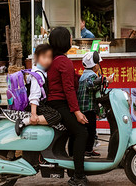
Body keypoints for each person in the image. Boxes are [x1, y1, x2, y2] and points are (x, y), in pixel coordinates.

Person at [46, 27, 89, 186]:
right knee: (81, 133)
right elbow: (68, 88)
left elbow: (70, 79)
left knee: (75, 132)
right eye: (70, 37)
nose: (72, 39)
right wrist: (76, 111)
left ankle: (74, 170)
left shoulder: (56, 60)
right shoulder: (63, 61)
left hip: (55, 102)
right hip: (60, 104)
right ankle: (78, 176)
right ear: (64, 41)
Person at [14, 44, 61, 136]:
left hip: (40, 104)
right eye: (44, 57)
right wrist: (33, 114)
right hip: (36, 106)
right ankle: (24, 121)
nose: (47, 60)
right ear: (36, 58)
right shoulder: (37, 75)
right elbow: (34, 95)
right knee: (56, 116)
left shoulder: (42, 72)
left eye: (49, 57)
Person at [78, 52, 113, 157]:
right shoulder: (91, 75)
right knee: (91, 129)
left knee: (90, 129)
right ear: (95, 65)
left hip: (84, 108)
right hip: (88, 108)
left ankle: (89, 148)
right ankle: (87, 150)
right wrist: (105, 80)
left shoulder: (85, 74)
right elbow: (91, 84)